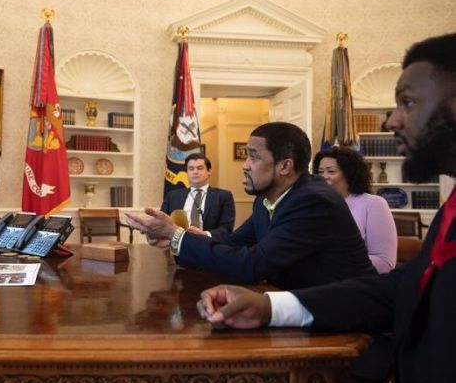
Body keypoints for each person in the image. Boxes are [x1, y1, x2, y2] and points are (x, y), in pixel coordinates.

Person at [195, 33, 456, 383]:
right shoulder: (453, 208)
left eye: (408, 102)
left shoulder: (314, 200)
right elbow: (400, 288)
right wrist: (270, 307)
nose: (391, 121)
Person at [126, 122, 376, 290]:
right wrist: (182, 238)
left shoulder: (313, 202)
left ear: (285, 166)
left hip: (346, 324)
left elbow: (252, 265)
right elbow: (234, 243)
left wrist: (176, 236)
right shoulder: (265, 199)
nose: (245, 165)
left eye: (253, 156)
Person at [313, 147, 397, 273]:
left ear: (349, 173)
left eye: (331, 171)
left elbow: (384, 263)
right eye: (320, 172)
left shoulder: (374, 204)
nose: (323, 177)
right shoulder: (315, 206)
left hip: (358, 284)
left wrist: (330, 264)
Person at [160, 152, 235, 238]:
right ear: (187, 173)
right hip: (178, 245)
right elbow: (162, 222)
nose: (195, 172)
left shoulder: (223, 196)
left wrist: (204, 234)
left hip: (208, 245)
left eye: (200, 168)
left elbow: (226, 229)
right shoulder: (172, 196)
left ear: (209, 171)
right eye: (191, 169)